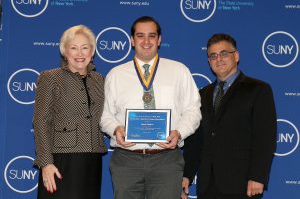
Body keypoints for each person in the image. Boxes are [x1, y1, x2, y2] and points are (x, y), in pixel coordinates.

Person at [100, 16, 201, 199]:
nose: (146, 41)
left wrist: (179, 133)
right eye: (140, 36)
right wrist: (115, 129)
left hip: (167, 159)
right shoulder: (116, 74)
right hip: (126, 160)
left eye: (151, 36)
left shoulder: (179, 71)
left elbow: (193, 110)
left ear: (159, 39)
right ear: (132, 40)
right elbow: (105, 116)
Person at [182, 33, 277, 199]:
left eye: (224, 53)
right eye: (213, 55)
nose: (218, 59)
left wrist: (257, 176)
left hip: (242, 184)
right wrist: (187, 175)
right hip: (207, 185)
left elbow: (265, 138)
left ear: (237, 56)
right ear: (209, 61)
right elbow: (196, 141)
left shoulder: (258, 90)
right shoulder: (202, 95)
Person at [33, 25, 107, 199]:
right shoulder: (50, 77)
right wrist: (46, 163)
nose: (79, 53)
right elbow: (40, 121)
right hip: (61, 161)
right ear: (65, 52)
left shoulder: (100, 80)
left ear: (92, 51)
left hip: (92, 160)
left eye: (85, 47)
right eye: (73, 48)